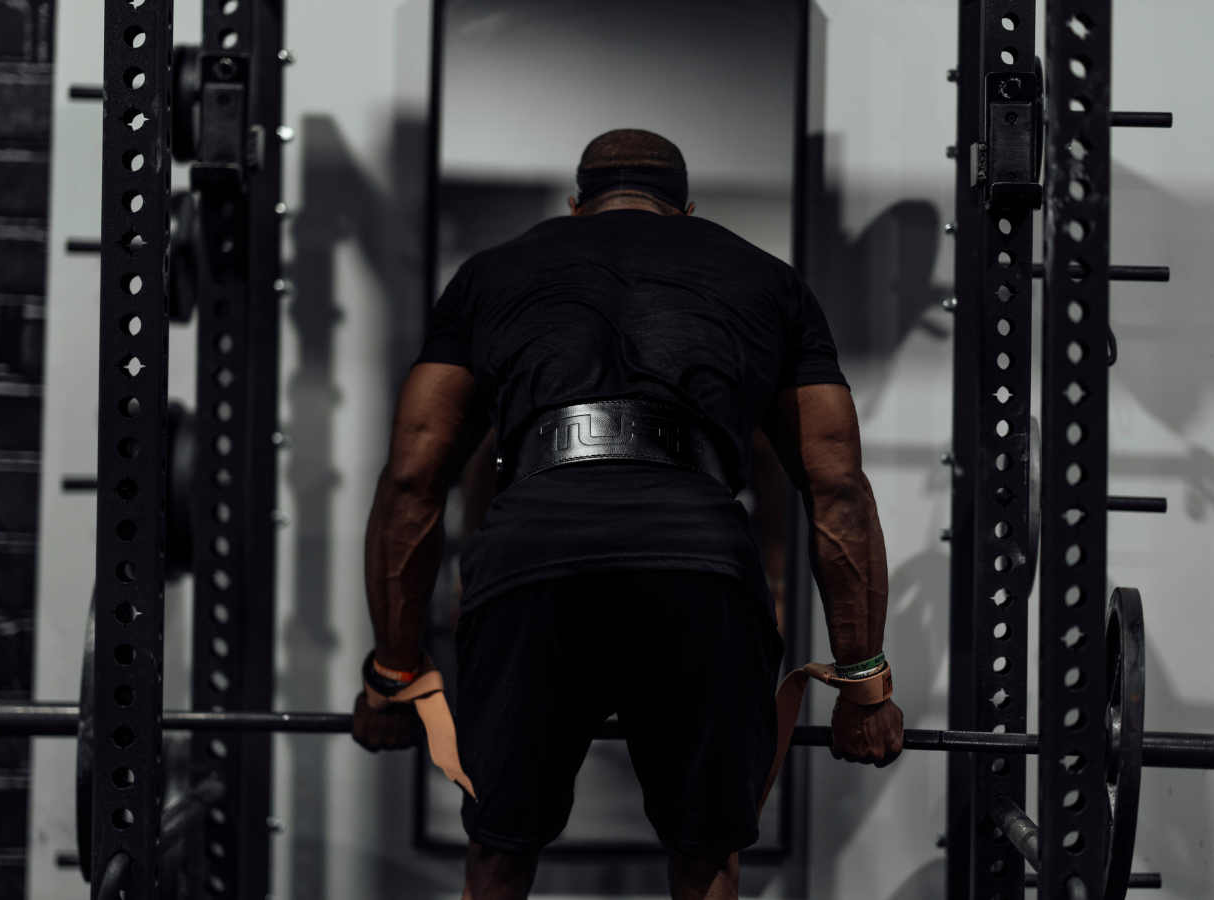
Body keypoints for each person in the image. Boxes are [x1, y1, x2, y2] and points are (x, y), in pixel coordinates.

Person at [352, 129, 904, 900]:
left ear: (576, 206)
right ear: (687, 208)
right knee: (705, 851)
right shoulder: (767, 280)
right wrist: (864, 686)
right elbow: (838, 488)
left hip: (531, 559)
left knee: (501, 845)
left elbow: (412, 482)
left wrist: (392, 676)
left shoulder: (488, 276)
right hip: (698, 565)